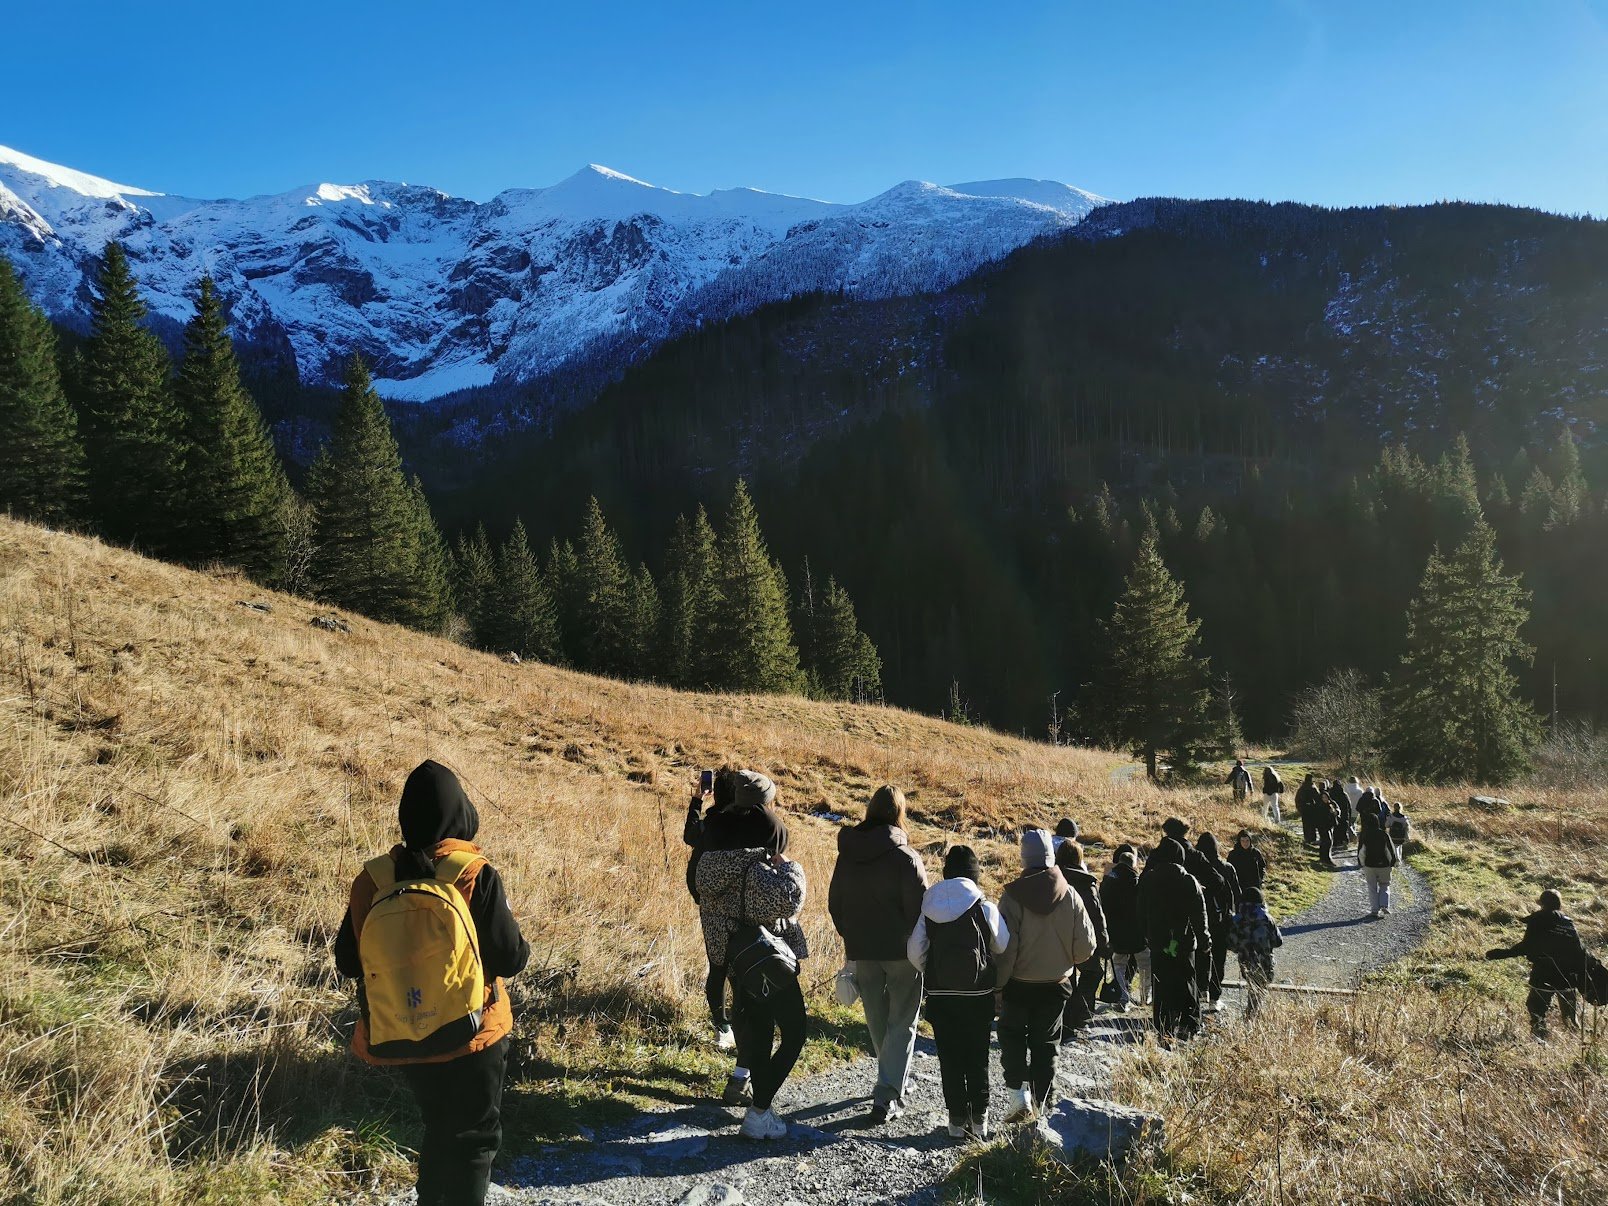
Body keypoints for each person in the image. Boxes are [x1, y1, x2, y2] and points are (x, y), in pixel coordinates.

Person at [333, 760, 531, 1206]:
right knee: (476, 1138)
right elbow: (511, 958)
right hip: (473, 1030)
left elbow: (347, 962)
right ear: (461, 811)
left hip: (403, 1028)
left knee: (438, 1126)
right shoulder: (472, 872)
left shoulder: (373, 878)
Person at [695, 784, 810, 1140]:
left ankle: (760, 1108)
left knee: (758, 1033)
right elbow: (789, 901)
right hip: (765, 958)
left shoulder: (709, 864)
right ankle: (759, 1110)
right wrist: (790, 867)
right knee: (795, 1032)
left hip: (734, 961)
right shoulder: (756, 867)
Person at [827, 785, 929, 1123]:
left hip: (862, 950)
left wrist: (851, 936)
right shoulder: (906, 857)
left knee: (876, 1017)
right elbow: (919, 910)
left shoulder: (847, 855)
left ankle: (892, 1078)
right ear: (900, 813)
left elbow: (835, 903)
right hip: (902, 953)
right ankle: (887, 1094)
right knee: (902, 1020)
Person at [908, 845, 1009, 1140]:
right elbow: (1002, 944)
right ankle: (979, 1122)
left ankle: (955, 1121)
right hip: (978, 996)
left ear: (946, 872)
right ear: (974, 874)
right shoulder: (984, 906)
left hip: (941, 997)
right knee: (977, 1058)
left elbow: (914, 952)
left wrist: (932, 971)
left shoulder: (929, 908)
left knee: (950, 1060)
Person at [996, 829, 1097, 1121]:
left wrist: (998, 986)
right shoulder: (1071, 894)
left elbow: (1006, 950)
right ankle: (1044, 1103)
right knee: (1047, 1044)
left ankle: (1019, 1097)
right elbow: (1086, 947)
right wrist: (1066, 961)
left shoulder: (1012, 896)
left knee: (1012, 1038)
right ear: (1051, 857)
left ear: (1024, 857)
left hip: (1018, 985)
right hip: (1056, 985)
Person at [685, 769, 788, 1054]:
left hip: (714, 907)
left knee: (718, 967)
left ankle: (723, 1027)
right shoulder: (770, 826)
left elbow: (691, 836)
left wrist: (698, 800)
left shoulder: (714, 824)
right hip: (751, 907)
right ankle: (750, 1033)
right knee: (747, 969)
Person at [1136, 837, 1212, 1042]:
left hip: (1158, 942)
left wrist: (1146, 935)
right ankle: (1189, 1025)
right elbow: (1199, 915)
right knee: (1187, 982)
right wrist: (1204, 940)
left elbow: (1140, 912)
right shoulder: (1188, 880)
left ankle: (1164, 1029)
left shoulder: (1149, 879)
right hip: (1184, 942)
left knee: (1161, 985)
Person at [1486, 890, 1586, 1038]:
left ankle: (1540, 1038)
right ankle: (1577, 1041)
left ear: (1542, 904)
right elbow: (1579, 950)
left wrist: (1502, 953)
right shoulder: (1568, 923)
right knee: (1570, 1018)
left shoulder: (1537, 920)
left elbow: (1527, 946)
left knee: (1536, 1010)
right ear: (1559, 905)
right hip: (1568, 976)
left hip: (1544, 974)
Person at [1054, 840, 1110, 1036]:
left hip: (1057, 939)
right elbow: (1096, 916)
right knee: (1093, 972)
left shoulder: (1051, 879)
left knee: (1065, 978)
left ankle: (1064, 1018)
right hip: (1083, 939)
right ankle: (1080, 1015)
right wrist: (1103, 943)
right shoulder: (1087, 882)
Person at [1193, 833, 1241, 1013]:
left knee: (1200, 955)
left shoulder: (1195, 868)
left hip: (1199, 919)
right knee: (1218, 959)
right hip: (1221, 920)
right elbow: (1236, 895)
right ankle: (1215, 997)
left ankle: (1200, 990)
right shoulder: (1226, 868)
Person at [1100, 846, 1145, 1012]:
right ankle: (1146, 997)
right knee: (1144, 964)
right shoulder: (1137, 881)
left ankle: (1122, 996)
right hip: (1135, 934)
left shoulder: (1108, 880)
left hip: (1114, 932)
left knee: (1118, 965)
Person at [1228, 886, 1283, 1018]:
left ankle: (1252, 1013)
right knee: (1260, 988)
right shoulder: (1267, 919)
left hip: (1245, 960)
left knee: (1253, 986)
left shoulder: (1237, 920)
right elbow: (1278, 941)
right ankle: (1254, 1014)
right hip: (1265, 961)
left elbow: (1231, 944)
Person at [1357, 809, 1399, 919]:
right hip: (1384, 865)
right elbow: (1389, 850)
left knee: (1372, 888)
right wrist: (1392, 862)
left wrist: (1362, 863)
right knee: (1385, 885)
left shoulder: (1364, 835)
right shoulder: (1384, 834)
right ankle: (1384, 904)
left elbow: (1362, 852)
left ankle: (1374, 910)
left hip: (1369, 865)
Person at [1313, 782, 1337, 867]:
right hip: (1322, 826)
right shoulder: (1319, 805)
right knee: (1327, 841)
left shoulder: (1331, 804)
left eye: (1326, 797)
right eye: (1323, 797)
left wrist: (1335, 812)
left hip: (1330, 825)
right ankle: (1326, 859)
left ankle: (1324, 858)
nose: (1325, 799)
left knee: (1327, 841)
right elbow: (1317, 816)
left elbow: (1338, 810)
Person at [1328, 778, 1354, 851]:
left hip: (1335, 815)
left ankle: (1336, 843)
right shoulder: (1344, 794)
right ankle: (1344, 842)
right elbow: (1349, 806)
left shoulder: (1331, 794)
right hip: (1344, 815)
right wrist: (1349, 815)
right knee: (1344, 829)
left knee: (1336, 829)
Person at [1295, 774, 1321, 846]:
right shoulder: (1313, 788)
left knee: (1305, 824)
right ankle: (1312, 839)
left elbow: (1297, 799)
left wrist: (1299, 808)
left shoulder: (1301, 788)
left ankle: (1307, 839)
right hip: (1312, 809)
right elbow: (1318, 799)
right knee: (1312, 825)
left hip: (1304, 809)